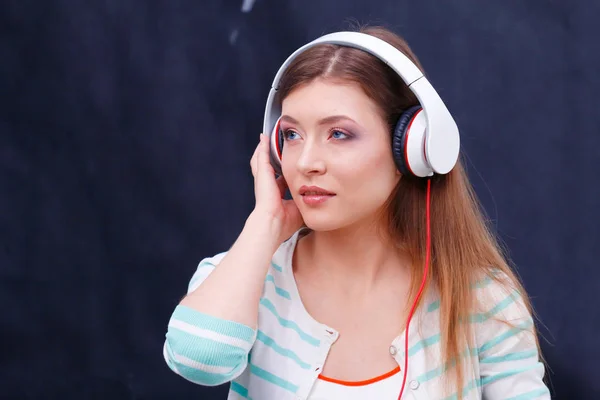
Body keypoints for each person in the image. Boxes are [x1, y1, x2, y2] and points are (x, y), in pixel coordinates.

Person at [163, 25, 550, 400]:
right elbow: (198, 361)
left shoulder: (481, 297)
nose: (307, 162)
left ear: (412, 150)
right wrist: (265, 223)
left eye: (339, 134)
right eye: (292, 135)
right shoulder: (242, 276)